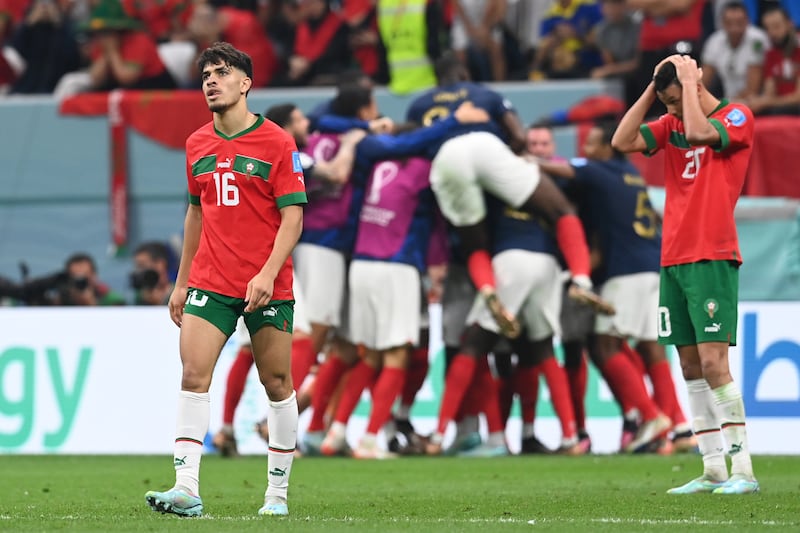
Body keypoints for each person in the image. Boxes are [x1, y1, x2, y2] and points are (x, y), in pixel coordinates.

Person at [144, 42, 307, 518]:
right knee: (193, 375)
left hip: (266, 283)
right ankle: (186, 488)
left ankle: (276, 496)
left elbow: (292, 217)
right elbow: (195, 213)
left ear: (245, 83)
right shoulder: (197, 144)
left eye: (221, 72)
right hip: (211, 279)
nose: (211, 81)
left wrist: (267, 273)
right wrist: (181, 281)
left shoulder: (277, 142)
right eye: (205, 75)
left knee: (277, 383)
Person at [612, 54, 758, 494]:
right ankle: (712, 467)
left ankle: (743, 471)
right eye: (666, 104)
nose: (670, 111)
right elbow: (622, 141)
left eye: (674, 101)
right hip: (673, 257)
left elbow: (699, 131)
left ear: (694, 86)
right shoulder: (671, 122)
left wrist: (688, 85)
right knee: (690, 365)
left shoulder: (736, 115)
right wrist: (654, 89)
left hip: (712, 253)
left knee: (715, 364)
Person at [406, 53, 613, 340]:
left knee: (474, 242)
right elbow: (518, 136)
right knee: (561, 210)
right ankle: (580, 280)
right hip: (485, 146)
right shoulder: (484, 94)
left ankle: (489, 291)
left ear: (437, 80)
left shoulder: (419, 104)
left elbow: (414, 145)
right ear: (464, 75)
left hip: (446, 160)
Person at [700, 1, 767, 100]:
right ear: (722, 23)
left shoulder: (757, 40)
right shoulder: (714, 41)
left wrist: (722, 105)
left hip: (753, 100)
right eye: (729, 23)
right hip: (728, 98)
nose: (734, 28)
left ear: (747, 21)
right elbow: (702, 82)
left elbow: (753, 89)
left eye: (739, 23)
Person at [743, 5, 800, 115]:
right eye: (768, 28)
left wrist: (767, 102)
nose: (772, 33)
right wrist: (755, 101)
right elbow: (770, 92)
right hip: (779, 107)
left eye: (776, 26)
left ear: (790, 24)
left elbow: (798, 98)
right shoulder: (770, 54)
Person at [61, 253, 126, 306]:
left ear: (94, 275)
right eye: (75, 277)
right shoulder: (62, 299)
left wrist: (91, 305)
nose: (80, 281)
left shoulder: (111, 299)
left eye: (84, 276)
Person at [131, 241, 175, 305]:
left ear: (160, 264)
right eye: (137, 267)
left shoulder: (178, 292)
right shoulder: (141, 296)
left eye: (142, 265)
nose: (139, 271)